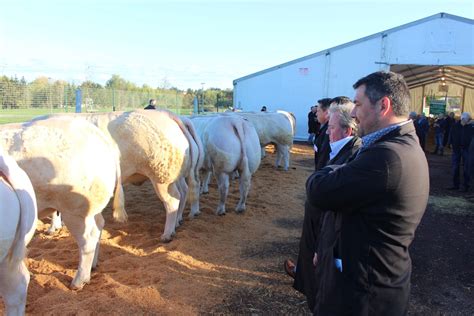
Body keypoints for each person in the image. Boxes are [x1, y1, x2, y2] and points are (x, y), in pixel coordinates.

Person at [306, 71, 429, 315]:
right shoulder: (399, 147)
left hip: (364, 297)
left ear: (383, 105)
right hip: (371, 284)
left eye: (358, 104)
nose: (353, 113)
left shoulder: (387, 157)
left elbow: (318, 190)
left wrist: (331, 169)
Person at [284, 96, 361, 312]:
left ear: (348, 130)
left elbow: (340, 210)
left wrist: (323, 247)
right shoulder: (342, 149)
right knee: (314, 277)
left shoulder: (352, 155)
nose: (327, 132)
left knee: (323, 284)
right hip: (318, 225)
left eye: (332, 127)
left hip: (325, 233)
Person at [448, 112, 473, 192]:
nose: (467, 121)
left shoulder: (471, 127)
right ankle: (456, 185)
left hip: (467, 149)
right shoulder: (455, 126)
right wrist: (450, 143)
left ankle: (466, 185)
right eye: (467, 119)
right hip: (457, 149)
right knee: (455, 167)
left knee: (467, 168)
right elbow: (451, 135)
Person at [313, 98, 332, 170]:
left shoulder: (329, 133)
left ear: (327, 112)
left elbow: (324, 159)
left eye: (318, 111)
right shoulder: (324, 129)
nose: (316, 114)